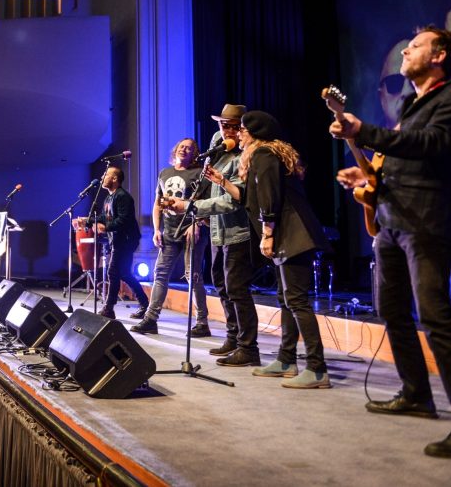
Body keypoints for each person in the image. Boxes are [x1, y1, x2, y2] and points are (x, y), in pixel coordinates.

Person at [331, 25, 451, 458]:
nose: (406, 49)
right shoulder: (410, 101)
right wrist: (368, 176)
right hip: (391, 219)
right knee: (390, 309)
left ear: (439, 55)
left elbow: (430, 145)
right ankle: (416, 393)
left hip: (425, 221)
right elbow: (404, 155)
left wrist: (363, 131)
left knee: (435, 316)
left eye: (417, 45)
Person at [202, 111, 330, 385]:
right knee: (286, 300)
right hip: (291, 236)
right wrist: (222, 182)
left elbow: (270, 198)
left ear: (254, 134)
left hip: (294, 236)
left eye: (243, 130)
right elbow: (249, 197)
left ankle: (317, 369)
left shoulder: (264, 155)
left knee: (297, 302)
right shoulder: (263, 155)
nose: (238, 134)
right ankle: (286, 360)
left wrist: (268, 233)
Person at [172, 104, 260, 359]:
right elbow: (209, 186)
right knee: (221, 284)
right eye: (223, 125)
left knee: (236, 289)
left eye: (233, 126)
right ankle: (233, 338)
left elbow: (233, 200)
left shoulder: (244, 154)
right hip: (217, 233)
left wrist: (193, 207)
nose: (227, 131)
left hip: (238, 231)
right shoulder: (217, 145)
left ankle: (248, 347)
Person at [131, 138, 211, 335]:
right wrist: (157, 230)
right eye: (182, 146)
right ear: (175, 150)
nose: (185, 150)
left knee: (193, 276)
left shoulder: (199, 174)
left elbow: (208, 203)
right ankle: (150, 319)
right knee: (160, 274)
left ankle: (202, 323)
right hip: (169, 232)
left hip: (192, 231)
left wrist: (197, 223)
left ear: (194, 154)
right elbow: (158, 204)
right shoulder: (164, 173)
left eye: (190, 148)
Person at [82, 166, 148, 319]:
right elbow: (106, 218)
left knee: (113, 272)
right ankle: (144, 304)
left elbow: (123, 220)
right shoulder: (108, 198)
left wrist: (105, 228)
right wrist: (87, 221)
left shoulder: (123, 196)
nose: (103, 176)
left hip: (126, 240)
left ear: (114, 179)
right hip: (117, 240)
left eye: (106, 174)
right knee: (124, 273)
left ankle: (109, 308)